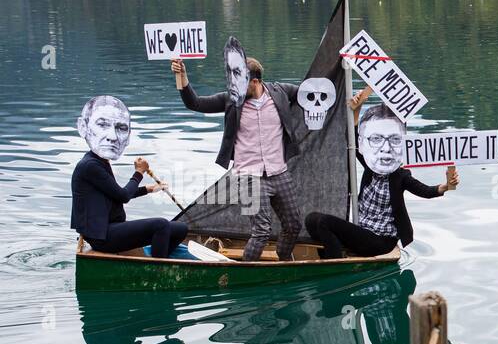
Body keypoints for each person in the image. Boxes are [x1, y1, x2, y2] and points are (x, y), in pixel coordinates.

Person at [171, 38, 304, 262]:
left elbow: (315, 94)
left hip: (279, 172)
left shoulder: (281, 92)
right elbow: (195, 103)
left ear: (254, 81)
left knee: (294, 224)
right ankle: (243, 273)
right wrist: (181, 75)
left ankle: (284, 261)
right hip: (248, 176)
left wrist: (347, 96)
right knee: (261, 232)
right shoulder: (231, 100)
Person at [303, 86, 457, 259]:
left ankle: (335, 263)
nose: (385, 150)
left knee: (324, 222)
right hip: (362, 232)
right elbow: (354, 139)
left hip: (381, 241)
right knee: (311, 219)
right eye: (378, 140)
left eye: (392, 140)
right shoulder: (371, 165)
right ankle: (334, 253)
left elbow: (426, 191)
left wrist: (447, 186)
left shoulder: (400, 176)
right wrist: (357, 109)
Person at [70, 95, 187, 258]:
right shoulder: (90, 165)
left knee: (181, 228)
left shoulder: (99, 161)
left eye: (121, 128)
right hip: (102, 236)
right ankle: (156, 270)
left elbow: (117, 194)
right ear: (84, 128)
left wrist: (149, 189)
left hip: (111, 228)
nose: (112, 136)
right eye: (102, 125)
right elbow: (124, 196)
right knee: (160, 225)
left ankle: (159, 258)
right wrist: (139, 172)